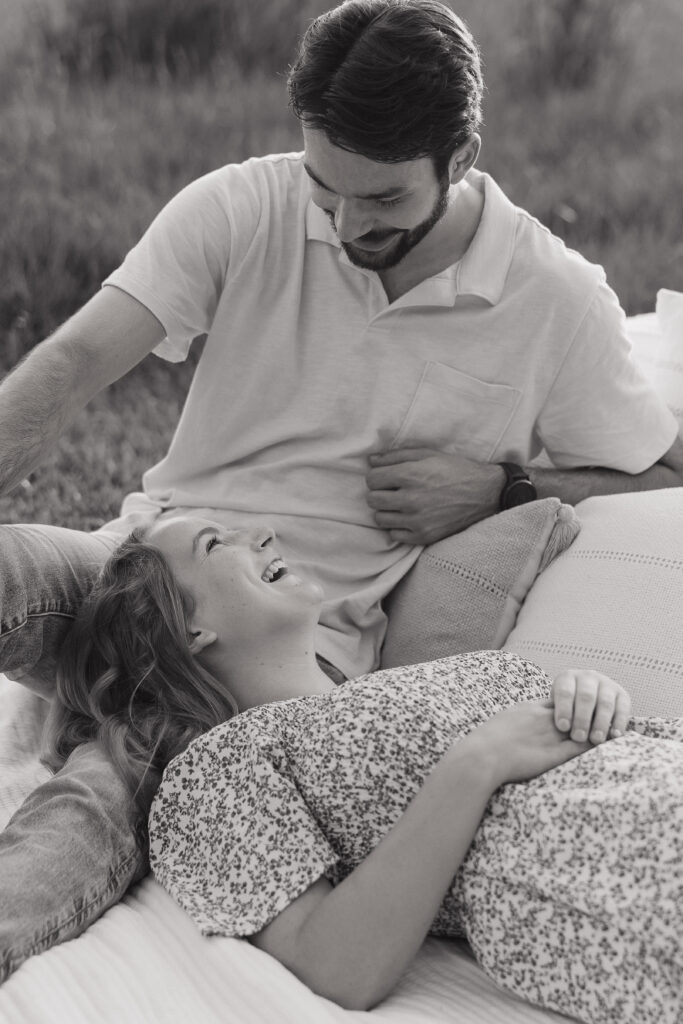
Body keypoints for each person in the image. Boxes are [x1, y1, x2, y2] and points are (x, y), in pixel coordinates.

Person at [1, 0, 682, 980]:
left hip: (285, 653)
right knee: (16, 565)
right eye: (327, 188)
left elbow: (659, 465)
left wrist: (502, 486)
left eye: (384, 201)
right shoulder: (242, 207)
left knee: (108, 782)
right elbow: (67, 367)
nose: (347, 221)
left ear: (461, 156)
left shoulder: (552, 302)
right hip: (147, 557)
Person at [45, 518, 682, 1024]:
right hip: (621, 873)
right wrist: (476, 763)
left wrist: (590, 699)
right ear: (189, 631)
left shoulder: (399, 683)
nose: (261, 531)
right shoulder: (218, 769)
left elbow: (546, 734)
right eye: (217, 544)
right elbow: (334, 967)